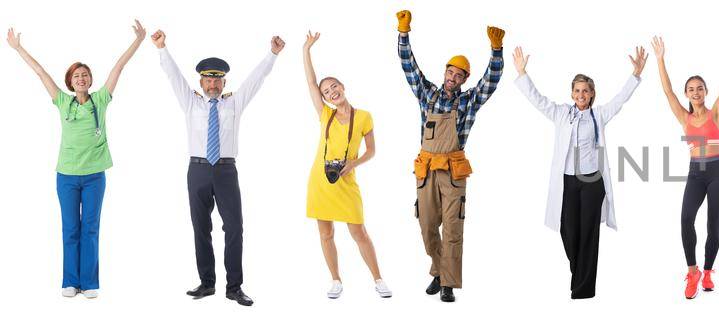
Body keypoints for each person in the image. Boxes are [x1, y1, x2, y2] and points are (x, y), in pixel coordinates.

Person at [7, 20, 144, 300]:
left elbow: (118, 67)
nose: (81, 79)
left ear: (90, 80)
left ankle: (89, 283)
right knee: (70, 229)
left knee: (90, 229)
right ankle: (70, 281)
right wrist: (18, 48)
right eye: (76, 76)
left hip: (95, 177)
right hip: (67, 177)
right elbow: (39, 71)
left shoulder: (101, 100)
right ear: (70, 82)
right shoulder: (62, 101)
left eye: (85, 75)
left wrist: (138, 41)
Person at [151, 28, 282, 307]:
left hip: (225, 170)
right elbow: (173, 76)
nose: (212, 84)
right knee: (201, 227)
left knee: (234, 227)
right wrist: (162, 48)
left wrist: (272, 54)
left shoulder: (234, 103)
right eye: (208, 79)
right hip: (197, 170)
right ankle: (207, 283)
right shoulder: (191, 103)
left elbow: (255, 80)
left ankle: (234, 287)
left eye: (217, 79)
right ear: (201, 81)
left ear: (223, 83)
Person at [514, 44, 647, 300]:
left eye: (585, 90)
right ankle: (579, 272)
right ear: (572, 93)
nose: (581, 94)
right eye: (577, 90)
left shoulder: (599, 115)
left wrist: (636, 75)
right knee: (568, 230)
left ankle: (584, 289)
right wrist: (522, 73)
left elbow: (621, 98)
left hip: (592, 181)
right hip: (567, 181)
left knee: (589, 233)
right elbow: (537, 99)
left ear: (592, 93)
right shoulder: (562, 114)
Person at [394, 10, 505, 303]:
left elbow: (490, 81)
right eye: (450, 72)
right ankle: (438, 270)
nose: (453, 77)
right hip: (426, 170)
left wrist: (496, 52)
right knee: (427, 226)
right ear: (444, 72)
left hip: (454, 174)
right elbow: (409, 67)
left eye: (459, 75)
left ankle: (448, 284)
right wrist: (403, 33)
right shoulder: (426, 93)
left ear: (464, 79)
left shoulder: (469, 102)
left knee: (453, 229)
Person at [649, 25, 719, 300]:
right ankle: (692, 272)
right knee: (685, 219)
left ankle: (708, 272)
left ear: (705, 91)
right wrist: (660, 59)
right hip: (695, 174)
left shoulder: (717, 113)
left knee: (713, 226)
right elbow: (667, 92)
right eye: (690, 89)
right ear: (687, 94)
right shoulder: (684, 117)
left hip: (717, 172)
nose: (695, 92)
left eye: (699, 88)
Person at [302, 31, 389, 300]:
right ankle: (336, 280)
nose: (331, 92)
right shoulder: (325, 114)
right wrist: (307, 49)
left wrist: (354, 163)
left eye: (334, 87)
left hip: (346, 181)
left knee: (359, 231)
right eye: (326, 91)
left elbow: (372, 151)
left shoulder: (364, 117)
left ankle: (378, 279)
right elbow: (310, 81)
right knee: (326, 233)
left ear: (343, 86)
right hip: (321, 181)